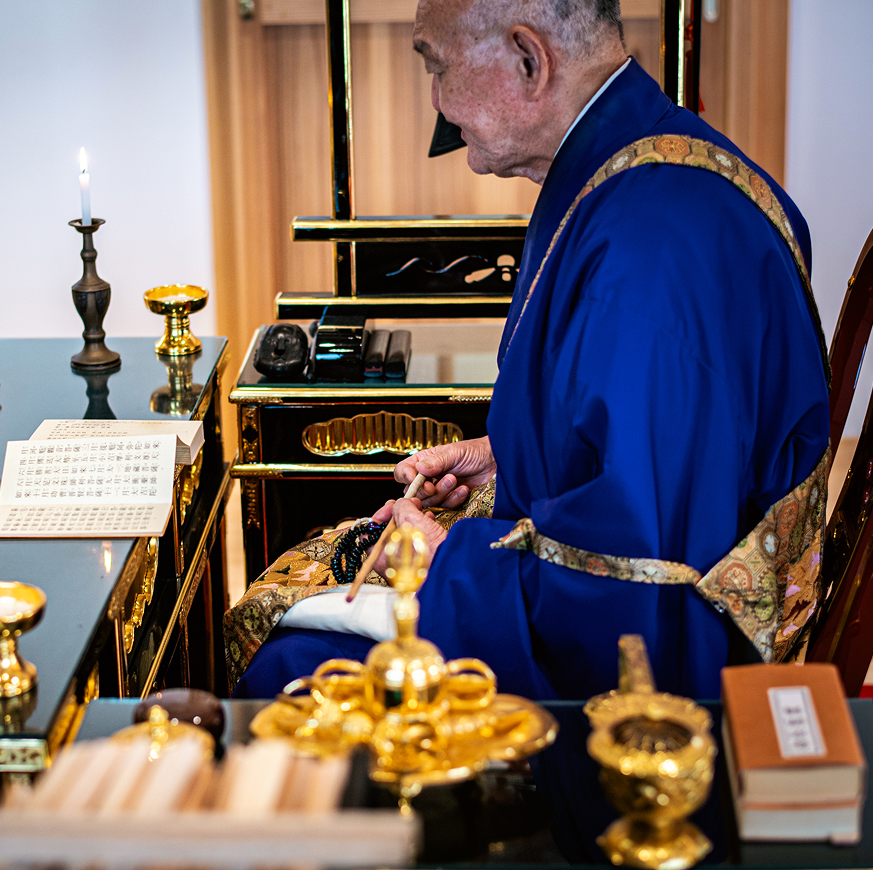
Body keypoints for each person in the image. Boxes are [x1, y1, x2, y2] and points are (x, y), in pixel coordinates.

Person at [227, 0, 830, 702]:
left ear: (528, 59)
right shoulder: (637, 165)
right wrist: (507, 454)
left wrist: (444, 563)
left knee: (290, 667)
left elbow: (634, 595)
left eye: (438, 66)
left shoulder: (650, 261)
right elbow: (645, 450)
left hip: (655, 677)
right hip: (624, 586)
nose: (436, 102)